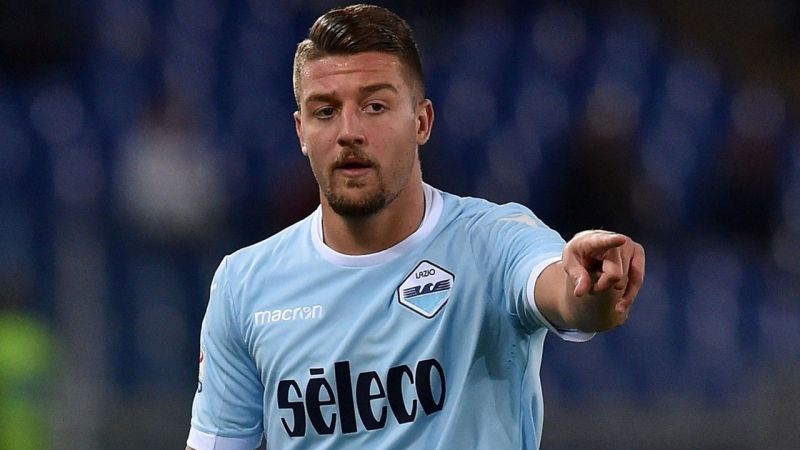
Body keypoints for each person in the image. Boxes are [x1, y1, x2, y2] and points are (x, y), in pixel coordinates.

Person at [186, 4, 645, 449]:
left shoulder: (492, 240)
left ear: (421, 122)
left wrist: (591, 284)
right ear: (301, 131)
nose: (349, 131)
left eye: (375, 106)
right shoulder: (244, 285)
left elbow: (565, 293)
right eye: (325, 111)